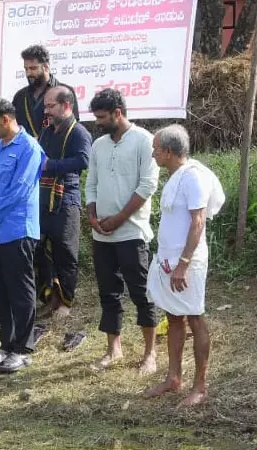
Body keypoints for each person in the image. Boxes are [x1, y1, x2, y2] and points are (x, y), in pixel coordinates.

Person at [145, 125, 224, 407]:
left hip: (187, 263)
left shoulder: (192, 178)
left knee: (194, 316)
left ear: (167, 151)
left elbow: (197, 222)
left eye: (155, 149)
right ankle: (173, 378)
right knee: (174, 316)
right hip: (168, 259)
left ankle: (200, 387)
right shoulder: (175, 175)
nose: (153, 154)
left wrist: (184, 264)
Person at [85, 88, 160, 373]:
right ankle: (113, 350)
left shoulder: (144, 140)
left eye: (102, 117)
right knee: (109, 292)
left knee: (142, 292)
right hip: (101, 233)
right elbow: (90, 183)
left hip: (132, 232)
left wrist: (118, 219)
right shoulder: (98, 145)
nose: (98, 123)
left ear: (118, 113)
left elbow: (147, 186)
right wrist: (93, 216)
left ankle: (150, 354)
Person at [0, 97, 46, 374]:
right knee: (1, 291)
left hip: (17, 229)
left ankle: (23, 348)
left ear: (5, 119)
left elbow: (19, 191)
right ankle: (6, 345)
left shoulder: (29, 148)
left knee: (20, 291)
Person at [32, 85, 92, 349]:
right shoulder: (47, 130)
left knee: (65, 251)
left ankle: (66, 301)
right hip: (43, 198)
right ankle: (50, 297)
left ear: (66, 105)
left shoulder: (79, 132)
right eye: (46, 106)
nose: (46, 110)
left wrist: (50, 166)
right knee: (40, 249)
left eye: (50, 106)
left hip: (66, 198)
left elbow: (82, 161)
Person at [11, 45, 79, 138]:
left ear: (46, 67)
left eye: (33, 68)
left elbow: (72, 126)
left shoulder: (66, 92)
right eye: (26, 69)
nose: (28, 73)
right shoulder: (20, 96)